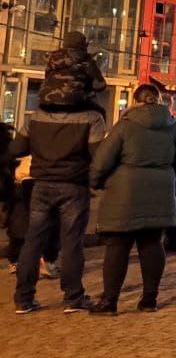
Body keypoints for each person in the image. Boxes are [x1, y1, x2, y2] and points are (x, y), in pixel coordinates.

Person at [10, 44, 108, 314]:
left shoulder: (36, 116)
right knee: (72, 243)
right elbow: (98, 156)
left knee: (33, 241)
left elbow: (17, 149)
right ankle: (73, 297)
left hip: (41, 184)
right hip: (74, 186)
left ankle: (23, 298)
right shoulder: (92, 118)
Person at [88, 84, 176, 315]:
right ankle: (149, 299)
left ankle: (110, 301)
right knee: (152, 243)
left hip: (124, 192)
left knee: (118, 246)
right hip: (160, 191)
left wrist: (96, 182)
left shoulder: (125, 125)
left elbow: (102, 161)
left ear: (135, 101)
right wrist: (165, 175)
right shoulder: (173, 127)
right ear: (159, 100)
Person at [37, 31, 107, 119]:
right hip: (73, 102)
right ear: (83, 44)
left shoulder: (52, 58)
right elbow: (100, 85)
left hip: (46, 102)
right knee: (100, 112)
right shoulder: (86, 59)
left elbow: (47, 76)